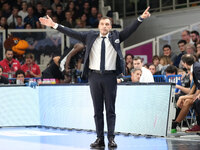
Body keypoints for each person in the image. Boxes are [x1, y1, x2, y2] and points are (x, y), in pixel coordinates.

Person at [39, 7, 151, 148]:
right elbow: (71, 32)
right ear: (99, 26)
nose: (105, 26)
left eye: (107, 24)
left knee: (110, 109)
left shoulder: (116, 36)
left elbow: (130, 30)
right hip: (94, 77)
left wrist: (141, 18)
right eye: (102, 24)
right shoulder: (90, 36)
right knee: (97, 110)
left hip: (110, 77)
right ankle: (99, 138)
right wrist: (54, 25)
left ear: (110, 27)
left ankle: (111, 138)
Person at [171, 54, 200, 133]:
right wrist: (185, 97)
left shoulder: (196, 68)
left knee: (194, 101)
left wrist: (182, 97)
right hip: (196, 93)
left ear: (185, 63)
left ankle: (176, 123)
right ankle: (176, 123)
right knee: (187, 100)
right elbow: (194, 89)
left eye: (182, 63)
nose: (182, 65)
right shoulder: (194, 68)